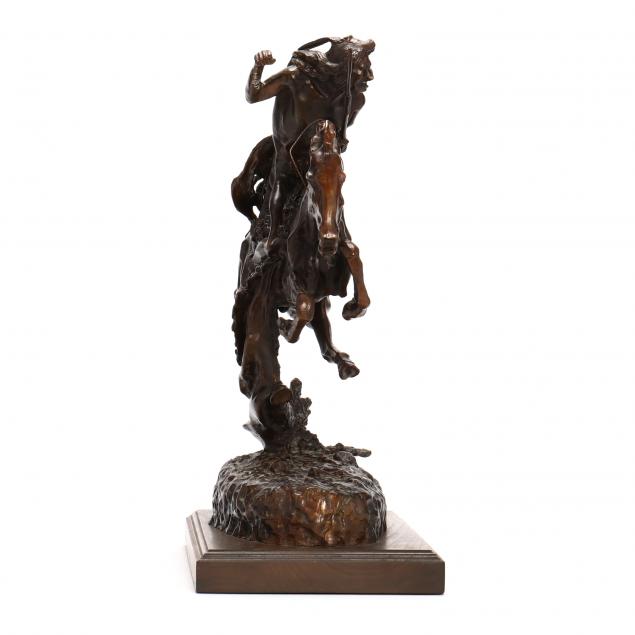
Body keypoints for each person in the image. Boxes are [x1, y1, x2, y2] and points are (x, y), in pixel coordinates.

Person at [234, 36, 375, 247]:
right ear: (344, 68)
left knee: (332, 195)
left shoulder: (355, 99)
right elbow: (254, 94)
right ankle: (272, 240)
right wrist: (258, 66)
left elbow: (340, 137)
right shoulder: (296, 77)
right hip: (288, 155)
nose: (370, 76)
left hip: (321, 159)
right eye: (363, 69)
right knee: (281, 181)